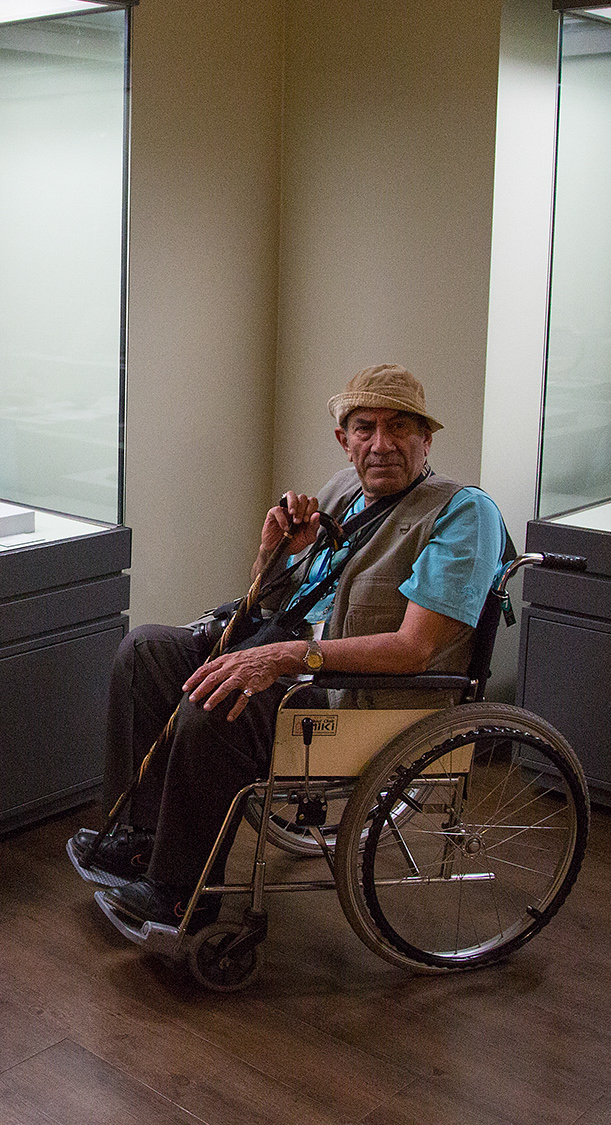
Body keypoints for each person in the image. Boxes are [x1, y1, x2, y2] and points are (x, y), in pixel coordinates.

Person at [70, 364, 509, 930]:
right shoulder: (342, 492)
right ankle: (142, 841)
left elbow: (413, 650)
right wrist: (272, 552)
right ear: (344, 440)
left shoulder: (463, 514)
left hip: (364, 697)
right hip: (292, 660)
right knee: (145, 652)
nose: (381, 444)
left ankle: (180, 894)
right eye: (365, 428)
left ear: (427, 439)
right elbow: (279, 605)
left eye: (399, 427)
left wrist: (283, 658)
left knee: (218, 705)